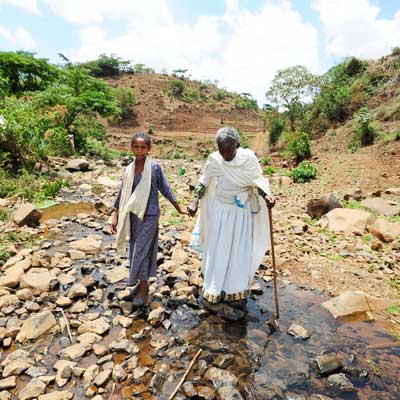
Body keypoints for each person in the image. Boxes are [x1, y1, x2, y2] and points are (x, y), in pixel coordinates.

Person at [188, 127, 275, 312]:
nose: (225, 155)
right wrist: (195, 201)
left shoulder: (248, 158)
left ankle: (236, 292)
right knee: (218, 248)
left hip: (241, 211)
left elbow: (257, 181)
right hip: (221, 210)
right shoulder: (215, 160)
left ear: (237, 145)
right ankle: (214, 289)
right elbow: (204, 181)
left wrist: (266, 195)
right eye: (222, 150)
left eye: (229, 150)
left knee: (238, 249)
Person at [111, 132, 187, 307]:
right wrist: (115, 215)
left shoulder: (154, 168)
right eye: (136, 147)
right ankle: (140, 283)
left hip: (150, 214)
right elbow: (123, 193)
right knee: (136, 248)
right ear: (131, 148)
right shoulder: (129, 169)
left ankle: (143, 287)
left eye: (143, 147)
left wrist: (178, 208)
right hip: (133, 214)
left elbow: (165, 188)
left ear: (149, 149)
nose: (139, 150)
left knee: (142, 250)